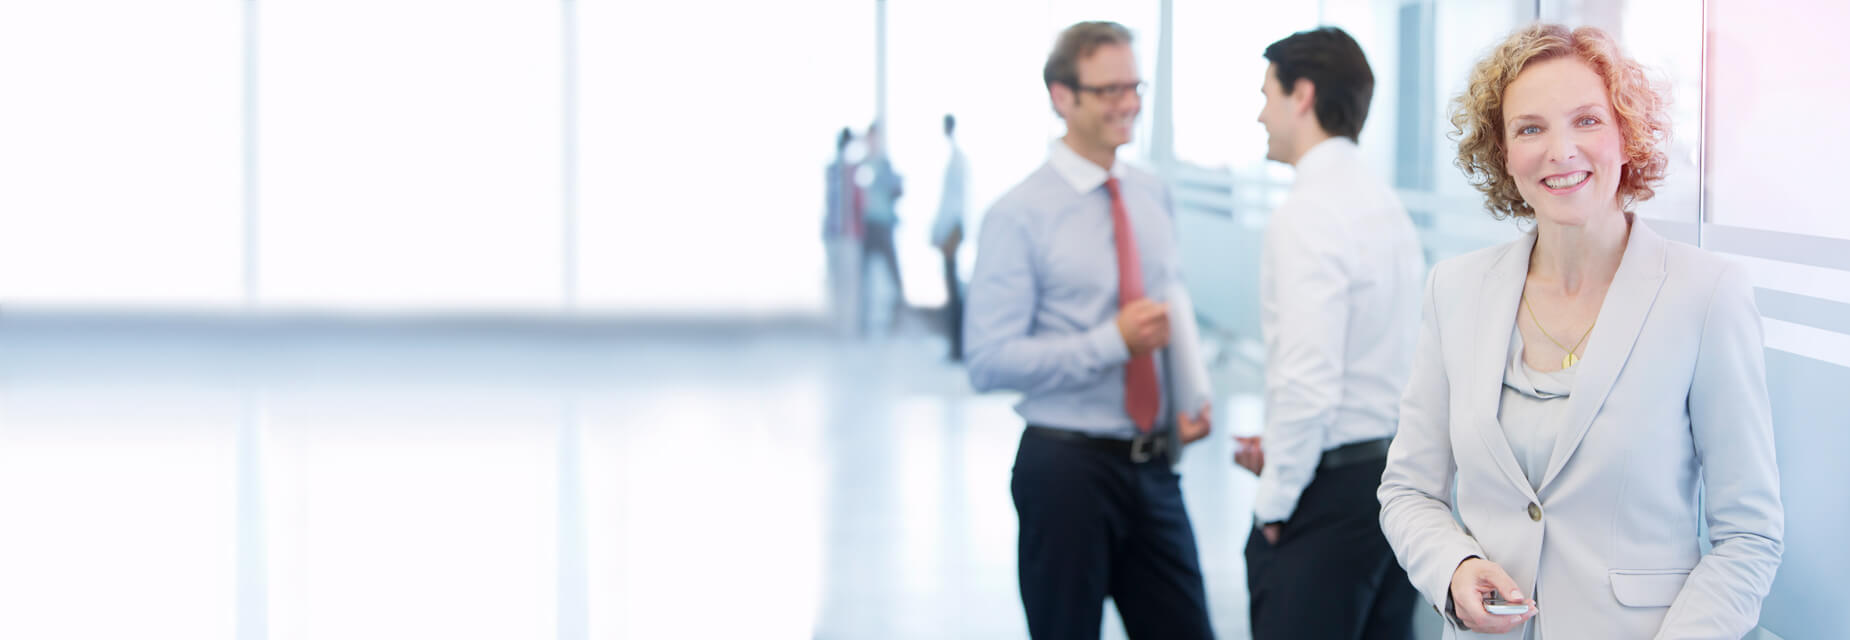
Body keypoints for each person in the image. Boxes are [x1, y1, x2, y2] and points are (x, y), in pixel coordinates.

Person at [1377, 24, 1782, 639]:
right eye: (1530, 128)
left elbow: (1748, 534)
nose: (1560, 150)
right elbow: (1408, 489)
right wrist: (1454, 569)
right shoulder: (1455, 291)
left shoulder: (1706, 293)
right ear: (1503, 153)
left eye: (1588, 120)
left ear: (1626, 135)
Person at [966, 21, 1215, 640]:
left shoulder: (1154, 194)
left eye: (1134, 86)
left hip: (1153, 465)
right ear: (1062, 96)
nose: (1128, 103)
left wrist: (1186, 403)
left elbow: (1168, 311)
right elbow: (987, 359)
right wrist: (1111, 343)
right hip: (1065, 469)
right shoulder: (1017, 214)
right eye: (1109, 90)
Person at [1232, 26, 1424, 640]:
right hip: (1390, 487)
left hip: (1330, 499)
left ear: (1303, 95)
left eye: (1267, 94)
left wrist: (1274, 501)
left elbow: (1309, 381)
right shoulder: (1382, 204)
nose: (1260, 113)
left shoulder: (1308, 213)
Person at [859, 122, 905, 334]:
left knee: (894, 276)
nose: (872, 142)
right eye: (870, 138)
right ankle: (863, 323)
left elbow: (897, 190)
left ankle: (897, 321)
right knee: (864, 276)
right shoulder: (863, 164)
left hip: (884, 225)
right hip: (867, 225)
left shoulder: (885, 164)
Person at [931, 114, 969, 360]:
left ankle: (958, 346)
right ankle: (955, 346)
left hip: (953, 230)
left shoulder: (957, 160)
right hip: (952, 229)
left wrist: (945, 233)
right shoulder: (956, 158)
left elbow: (953, 202)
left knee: (953, 289)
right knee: (951, 287)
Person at [824, 127, 864, 336]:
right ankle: (841, 325)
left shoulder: (844, 169)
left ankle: (845, 325)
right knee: (842, 282)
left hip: (844, 234)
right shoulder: (841, 170)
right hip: (841, 234)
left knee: (844, 283)